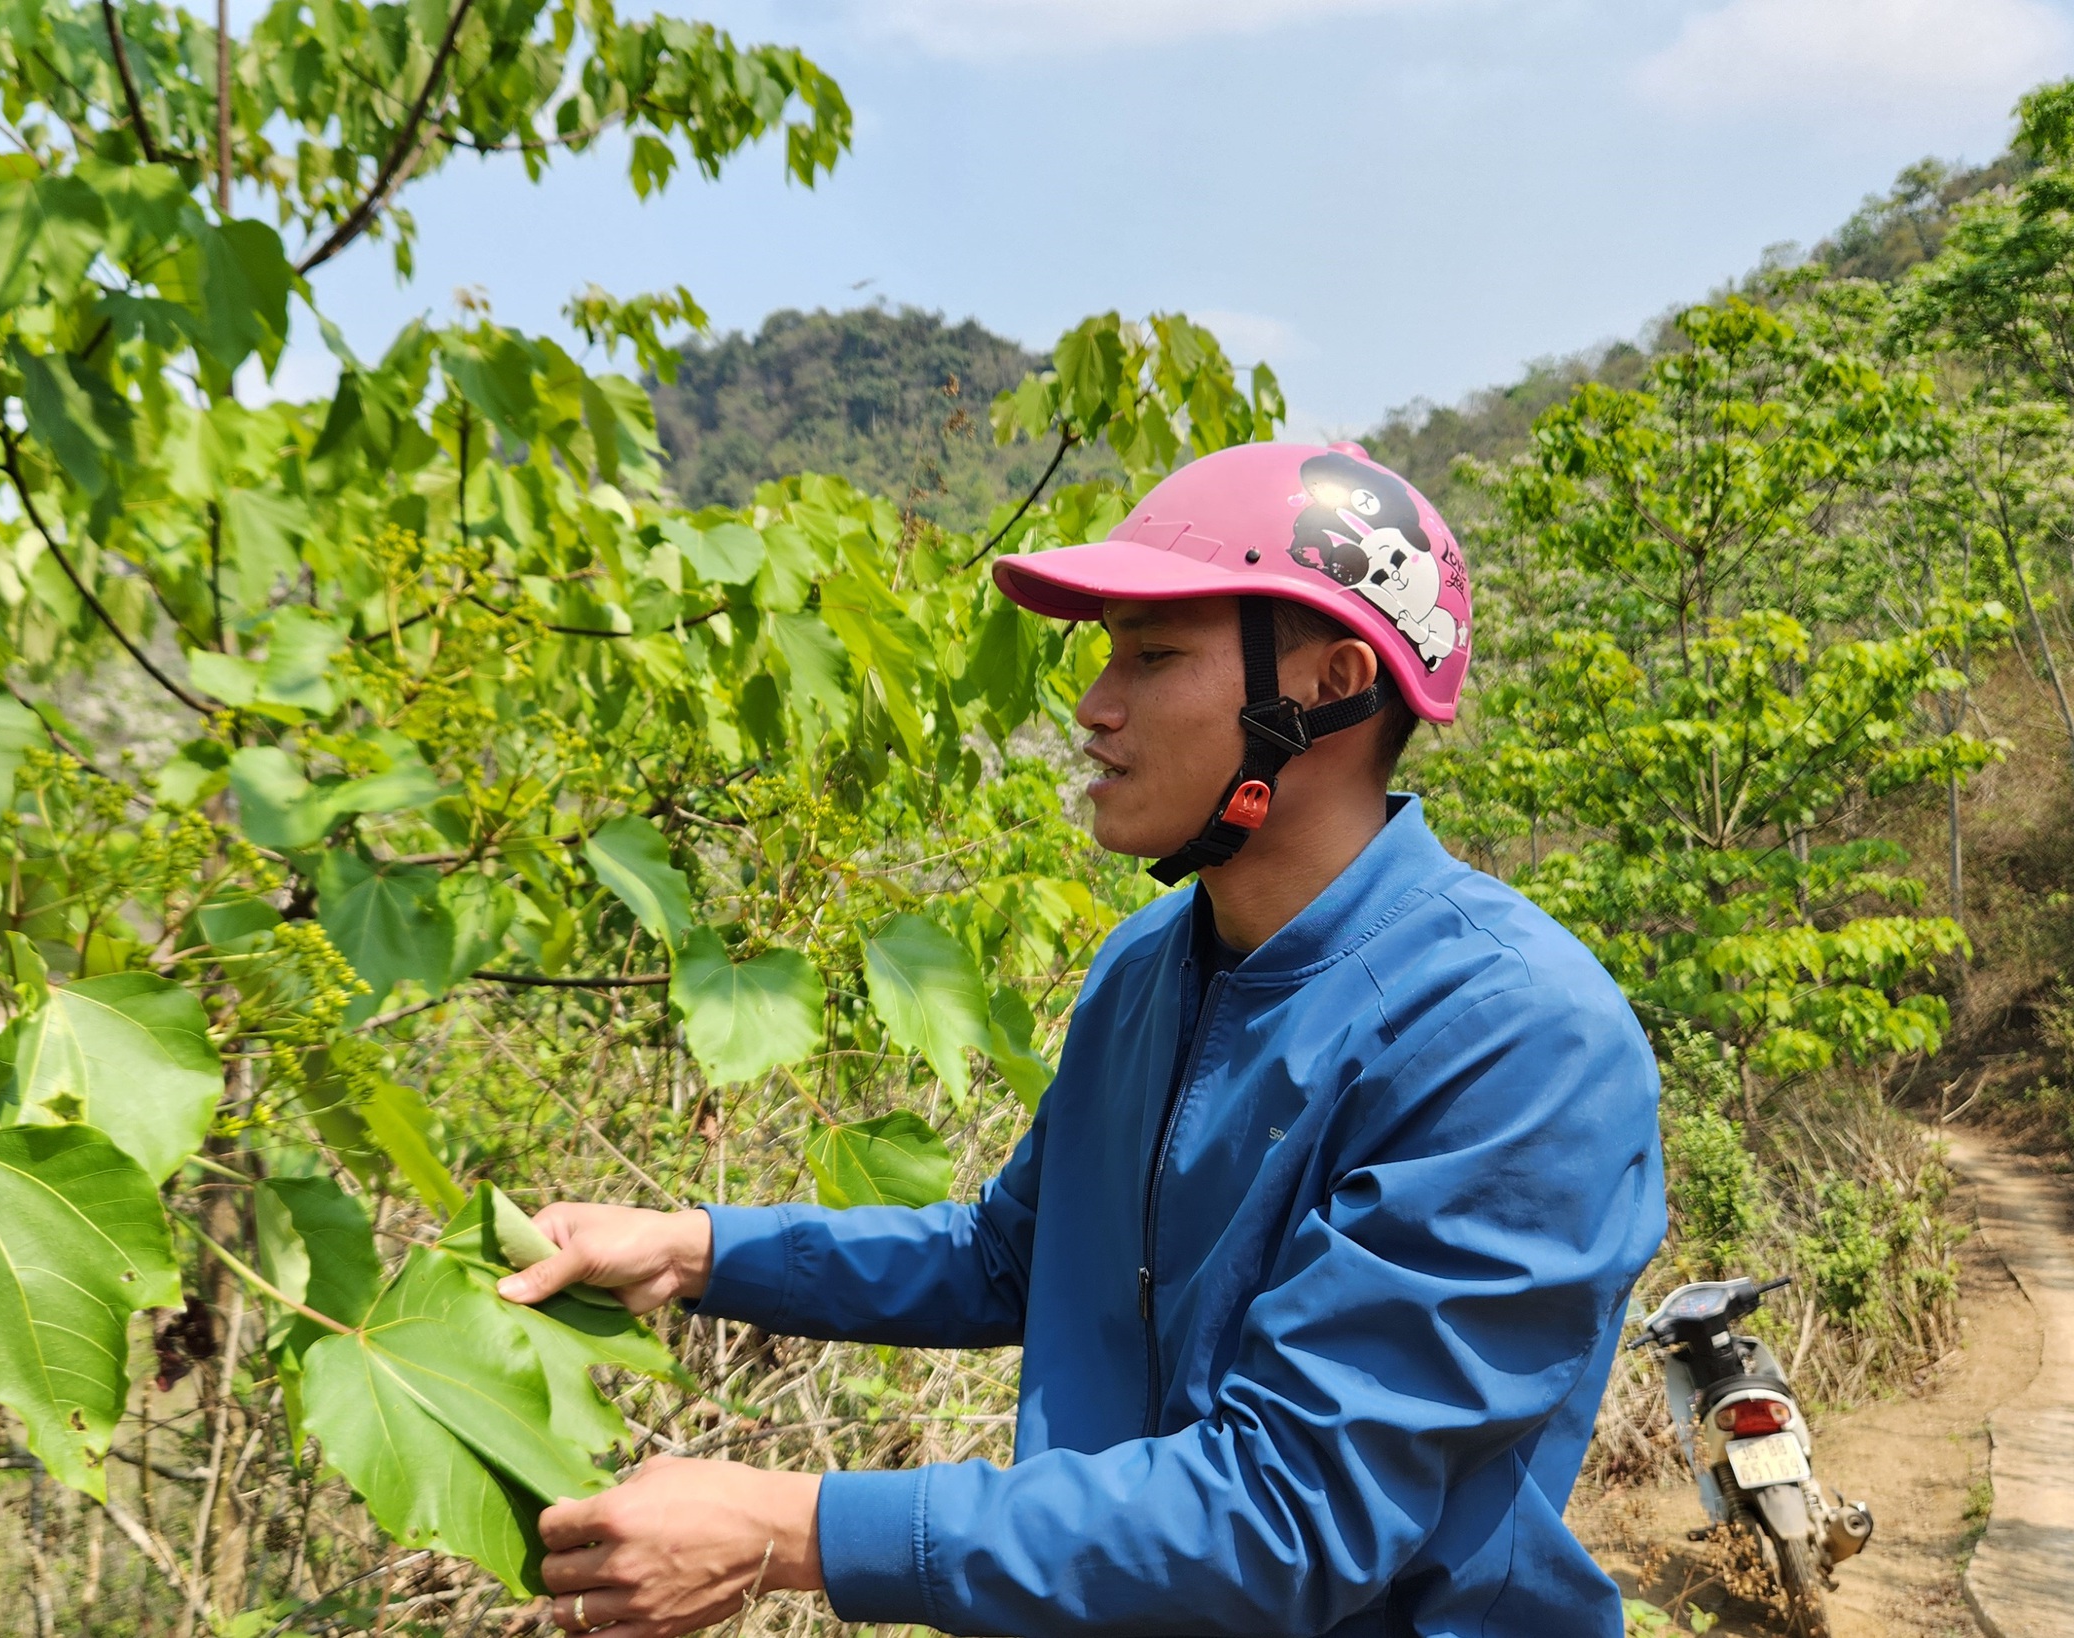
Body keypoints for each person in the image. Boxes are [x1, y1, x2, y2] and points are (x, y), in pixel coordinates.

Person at [498, 441, 1667, 1638]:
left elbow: (1290, 1512)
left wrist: (793, 1531)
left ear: (1329, 684)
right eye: (1106, 651)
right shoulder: (1149, 965)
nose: (1093, 706)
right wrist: (695, 1250)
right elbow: (1015, 1255)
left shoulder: (1512, 1038)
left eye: (1153, 655)